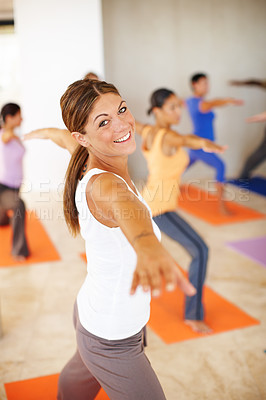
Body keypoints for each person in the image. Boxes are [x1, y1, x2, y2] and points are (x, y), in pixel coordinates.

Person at [25, 78, 196, 400]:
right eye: (104, 122)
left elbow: (64, 138)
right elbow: (129, 211)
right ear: (84, 137)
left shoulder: (85, 155)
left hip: (92, 309)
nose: (122, 125)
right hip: (110, 334)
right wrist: (148, 246)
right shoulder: (106, 185)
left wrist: (48, 133)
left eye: (122, 110)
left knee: (81, 373)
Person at [135, 88, 226, 334]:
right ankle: (193, 316)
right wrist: (205, 143)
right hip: (157, 209)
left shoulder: (150, 131)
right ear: (158, 111)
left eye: (179, 106)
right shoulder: (167, 136)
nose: (178, 111)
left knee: (191, 251)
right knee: (200, 250)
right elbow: (187, 140)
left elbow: (135, 123)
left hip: (153, 205)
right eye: (172, 107)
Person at [186, 73, 243, 214]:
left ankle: (169, 186)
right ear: (195, 85)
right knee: (220, 165)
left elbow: (206, 103)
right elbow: (213, 103)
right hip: (201, 146)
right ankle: (221, 207)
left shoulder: (189, 101)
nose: (207, 86)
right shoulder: (200, 103)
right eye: (204, 83)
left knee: (180, 167)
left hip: (196, 145)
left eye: (208, 83)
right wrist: (227, 100)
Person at [0, 103, 30, 261]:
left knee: (3, 220)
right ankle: (18, 250)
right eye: (19, 115)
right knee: (19, 205)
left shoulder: (14, 135)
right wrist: (9, 133)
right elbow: (4, 137)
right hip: (3, 189)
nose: (22, 118)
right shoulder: (4, 134)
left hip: (15, 188)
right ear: (10, 118)